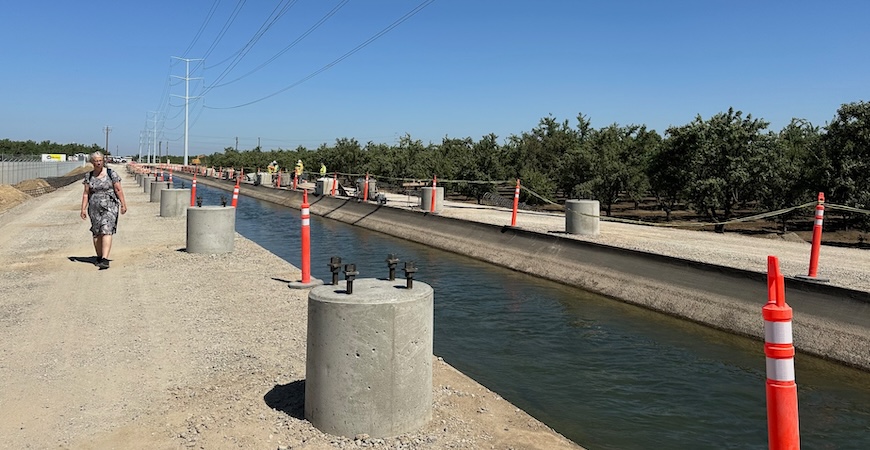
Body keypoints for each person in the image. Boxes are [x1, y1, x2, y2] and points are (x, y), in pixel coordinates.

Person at [80, 151, 128, 269]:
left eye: (100, 160)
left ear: (103, 161)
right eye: (96, 161)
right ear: (92, 162)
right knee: (97, 232)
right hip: (94, 206)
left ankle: (105, 259)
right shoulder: (89, 176)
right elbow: (86, 193)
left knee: (107, 229)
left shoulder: (111, 174)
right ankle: (99, 256)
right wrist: (83, 209)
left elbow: (118, 190)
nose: (98, 163)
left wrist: (123, 204)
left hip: (110, 205)